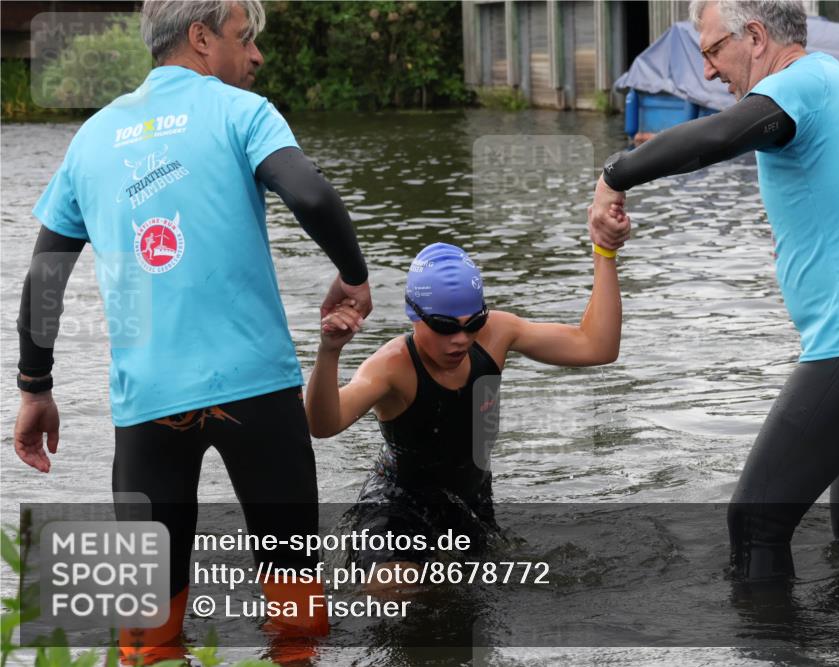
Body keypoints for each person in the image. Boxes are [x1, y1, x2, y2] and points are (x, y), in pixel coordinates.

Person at [13, 0, 371, 660]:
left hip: (148, 405)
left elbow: (43, 278)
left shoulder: (92, 138)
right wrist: (353, 273)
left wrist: (35, 385)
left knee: (148, 633)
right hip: (257, 394)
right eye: (246, 38)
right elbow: (314, 196)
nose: (256, 56)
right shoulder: (242, 113)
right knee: (297, 617)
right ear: (202, 39)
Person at [589, 0, 839, 581]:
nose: (708, 71)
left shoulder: (799, 86)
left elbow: (719, 136)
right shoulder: (837, 78)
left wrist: (616, 173)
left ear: (756, 36)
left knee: (756, 521)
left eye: (712, 50)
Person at [305, 240, 621, 586]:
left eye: (473, 323)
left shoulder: (497, 334)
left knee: (470, 599)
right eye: (444, 326)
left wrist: (604, 251)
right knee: (392, 586)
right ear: (415, 315)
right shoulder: (391, 366)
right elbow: (323, 424)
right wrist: (329, 351)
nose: (460, 339)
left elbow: (597, 346)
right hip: (398, 503)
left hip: (468, 501)